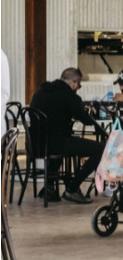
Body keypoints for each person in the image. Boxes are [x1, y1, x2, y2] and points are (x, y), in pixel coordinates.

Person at [29, 67, 102, 204]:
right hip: (57, 144)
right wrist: (89, 111)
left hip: (36, 144)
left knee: (60, 141)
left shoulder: (39, 93)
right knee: (102, 149)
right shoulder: (70, 96)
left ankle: (50, 186)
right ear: (75, 83)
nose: (77, 88)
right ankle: (72, 188)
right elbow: (86, 120)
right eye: (78, 85)